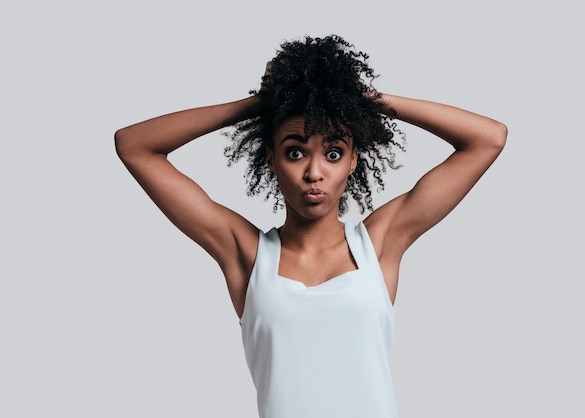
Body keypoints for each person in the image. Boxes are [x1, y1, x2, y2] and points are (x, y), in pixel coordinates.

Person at [114, 35, 507, 418]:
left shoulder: (380, 244)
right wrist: (259, 105)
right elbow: (134, 145)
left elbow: (488, 138)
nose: (314, 172)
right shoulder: (248, 256)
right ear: (271, 159)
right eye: (295, 151)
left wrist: (366, 102)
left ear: (353, 161)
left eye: (333, 153)